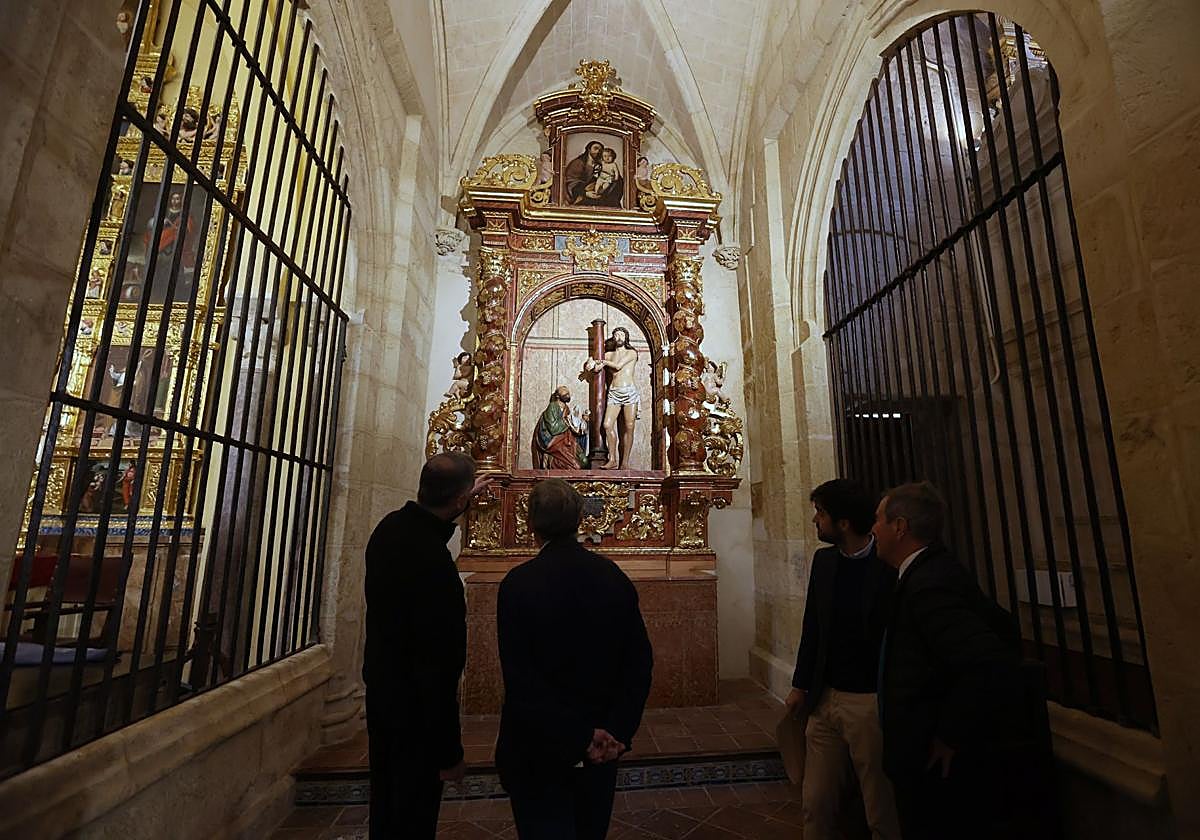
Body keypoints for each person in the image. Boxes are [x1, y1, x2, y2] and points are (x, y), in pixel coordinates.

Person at [496, 479, 653, 839]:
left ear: (530, 521)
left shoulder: (519, 584)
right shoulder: (613, 577)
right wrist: (616, 731)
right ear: (581, 518)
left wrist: (577, 735)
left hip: (539, 748)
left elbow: (522, 681)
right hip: (602, 750)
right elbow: (639, 664)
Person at [872, 481, 1023, 839]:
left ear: (900, 527)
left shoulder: (929, 583)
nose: (873, 528)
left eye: (878, 519)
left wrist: (951, 734)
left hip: (931, 758)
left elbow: (987, 660)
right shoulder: (932, 571)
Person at [362, 452, 491, 838]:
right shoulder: (436, 567)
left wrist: (462, 498)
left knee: (386, 799)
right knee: (413, 813)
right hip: (416, 713)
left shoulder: (388, 530)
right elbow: (438, 668)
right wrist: (449, 753)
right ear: (458, 500)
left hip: (383, 696)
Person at [786, 479, 900, 840]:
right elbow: (813, 627)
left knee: (879, 804)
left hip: (868, 701)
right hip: (825, 699)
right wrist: (800, 686)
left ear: (844, 523)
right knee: (815, 800)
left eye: (821, 514)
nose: (815, 521)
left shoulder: (887, 567)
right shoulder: (824, 561)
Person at [585, 328, 639, 470]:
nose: (619, 337)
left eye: (621, 334)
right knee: (607, 425)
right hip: (614, 392)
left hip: (629, 392)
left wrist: (602, 362)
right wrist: (590, 364)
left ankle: (625, 462)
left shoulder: (631, 353)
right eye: (616, 335)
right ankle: (613, 459)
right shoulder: (609, 354)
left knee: (629, 426)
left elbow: (619, 366)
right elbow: (596, 368)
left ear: (626, 337)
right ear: (613, 338)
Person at [532, 385, 588, 469]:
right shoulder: (552, 407)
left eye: (568, 392)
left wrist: (583, 422)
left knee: (584, 461)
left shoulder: (567, 409)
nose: (567, 393)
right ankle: (550, 460)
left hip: (567, 440)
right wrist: (568, 421)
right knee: (576, 466)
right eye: (564, 391)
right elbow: (553, 429)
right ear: (557, 396)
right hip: (553, 441)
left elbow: (572, 427)